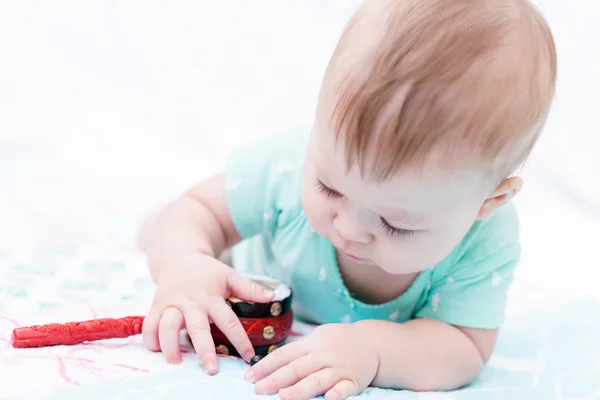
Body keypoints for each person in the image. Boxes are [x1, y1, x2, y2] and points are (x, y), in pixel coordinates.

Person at [138, 0, 556, 398]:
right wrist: (185, 262)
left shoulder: (484, 240)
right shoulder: (289, 162)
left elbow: (465, 347)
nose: (348, 228)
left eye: (396, 224)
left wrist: (373, 350)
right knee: (165, 230)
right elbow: (199, 209)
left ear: (487, 202)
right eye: (329, 188)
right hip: (244, 275)